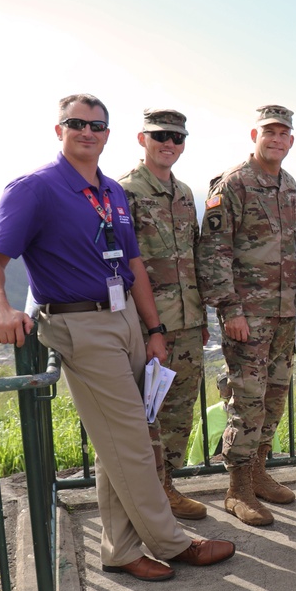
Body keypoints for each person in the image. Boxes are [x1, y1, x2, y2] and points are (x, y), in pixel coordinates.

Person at [0, 93, 234, 581]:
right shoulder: (34, 189)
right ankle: (172, 542)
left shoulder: (111, 191)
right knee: (133, 440)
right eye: (76, 123)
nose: (87, 132)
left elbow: (133, 265)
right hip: (78, 325)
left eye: (96, 125)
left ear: (108, 135)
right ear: (59, 130)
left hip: (125, 320)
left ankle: (119, 549)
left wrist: (154, 328)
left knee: (118, 441)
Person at [197, 105, 296, 526]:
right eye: (269, 132)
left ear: (291, 140)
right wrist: (230, 310)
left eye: (283, 133)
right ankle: (236, 489)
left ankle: (259, 472)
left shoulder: (289, 184)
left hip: (281, 313)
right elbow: (214, 253)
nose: (276, 139)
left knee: (275, 394)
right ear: (254, 135)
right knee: (246, 400)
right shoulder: (233, 184)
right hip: (247, 317)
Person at [119, 108, 208, 520]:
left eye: (176, 137)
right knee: (145, 413)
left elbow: (194, 257)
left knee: (178, 411)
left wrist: (202, 317)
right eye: (160, 136)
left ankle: (166, 487)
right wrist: (152, 327)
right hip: (147, 325)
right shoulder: (124, 192)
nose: (168, 144)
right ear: (143, 139)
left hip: (188, 323)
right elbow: (124, 264)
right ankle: (146, 497)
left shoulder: (186, 193)